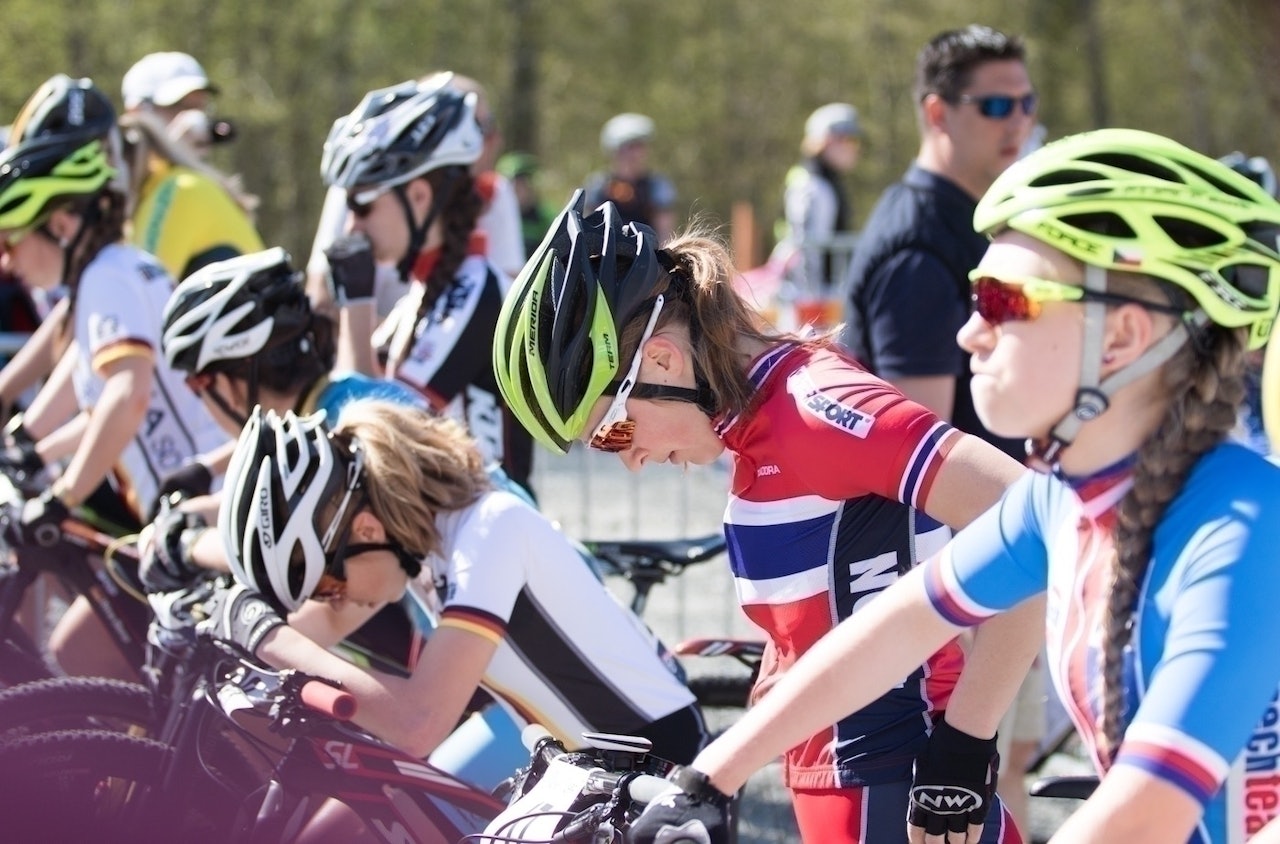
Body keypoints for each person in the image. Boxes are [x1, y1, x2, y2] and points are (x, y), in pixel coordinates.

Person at [628, 128, 1280, 844]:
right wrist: (711, 772)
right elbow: (894, 629)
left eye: (1004, 301)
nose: (969, 332)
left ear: (1120, 338)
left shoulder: (1241, 529)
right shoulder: (1062, 501)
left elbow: (1146, 811)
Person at [493, 191, 1039, 842]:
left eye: (613, 433)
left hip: (897, 785)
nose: (631, 461)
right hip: (849, 785)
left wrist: (964, 746)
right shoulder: (760, 421)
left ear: (662, 362)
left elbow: (1032, 524)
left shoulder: (812, 405)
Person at [197, 401, 707, 788]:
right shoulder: (420, 545)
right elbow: (313, 632)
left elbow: (417, 723)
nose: (329, 599)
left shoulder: (486, 532)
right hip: (583, 767)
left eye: (328, 584)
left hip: (657, 765)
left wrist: (260, 632)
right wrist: (215, 622)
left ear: (370, 531)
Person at [0, 74, 226, 679]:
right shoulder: (110, 274)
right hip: (180, 522)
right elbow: (96, 395)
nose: (6, 261)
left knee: (86, 657)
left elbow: (128, 396)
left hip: (208, 522)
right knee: (83, 654)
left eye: (11, 239)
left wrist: (60, 497)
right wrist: (29, 446)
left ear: (62, 225)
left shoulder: (107, 279)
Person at [319, 74, 534, 495]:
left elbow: (364, 423)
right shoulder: (420, 297)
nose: (351, 227)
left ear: (419, 197)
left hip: (490, 541)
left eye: (362, 207)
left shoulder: (475, 290)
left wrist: (356, 303)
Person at [843, 25, 1036, 462]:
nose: (1019, 122)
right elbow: (921, 454)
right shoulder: (917, 248)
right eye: (997, 105)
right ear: (937, 113)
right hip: (963, 525)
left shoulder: (964, 216)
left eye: (1027, 103)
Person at [305, 71, 525, 326]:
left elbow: (505, 307)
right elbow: (320, 298)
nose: (494, 139)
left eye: (490, 126)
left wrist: (394, 337)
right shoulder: (360, 188)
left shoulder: (494, 193)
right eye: (478, 128)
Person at [120, 50, 262, 282]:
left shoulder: (180, 187)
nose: (195, 122)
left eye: (200, 109)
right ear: (136, 113)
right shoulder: (167, 187)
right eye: (177, 107)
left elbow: (139, 296)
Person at [776, 102, 863, 295]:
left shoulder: (825, 181)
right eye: (849, 140)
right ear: (827, 140)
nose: (854, 148)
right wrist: (813, 302)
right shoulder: (812, 185)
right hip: (806, 297)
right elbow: (807, 250)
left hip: (814, 293)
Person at [583, 112, 677, 243]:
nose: (636, 153)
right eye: (630, 147)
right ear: (615, 150)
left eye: (640, 146)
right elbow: (587, 226)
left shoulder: (657, 185)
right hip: (604, 257)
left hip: (647, 257)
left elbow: (664, 232)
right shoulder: (598, 185)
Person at [496, 151, 558, 259]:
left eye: (522, 183)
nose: (517, 189)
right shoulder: (495, 217)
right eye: (511, 184)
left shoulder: (546, 218)